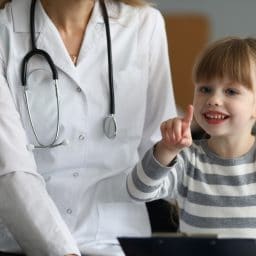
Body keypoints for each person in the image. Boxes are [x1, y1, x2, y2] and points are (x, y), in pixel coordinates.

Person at [0, 0, 177, 255]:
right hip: (25, 244)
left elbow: (160, 150)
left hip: (118, 242)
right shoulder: (5, 29)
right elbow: (10, 167)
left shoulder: (144, 25)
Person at [127, 36, 256, 238]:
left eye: (231, 91)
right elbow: (138, 191)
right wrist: (166, 150)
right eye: (205, 89)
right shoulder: (188, 159)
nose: (214, 99)